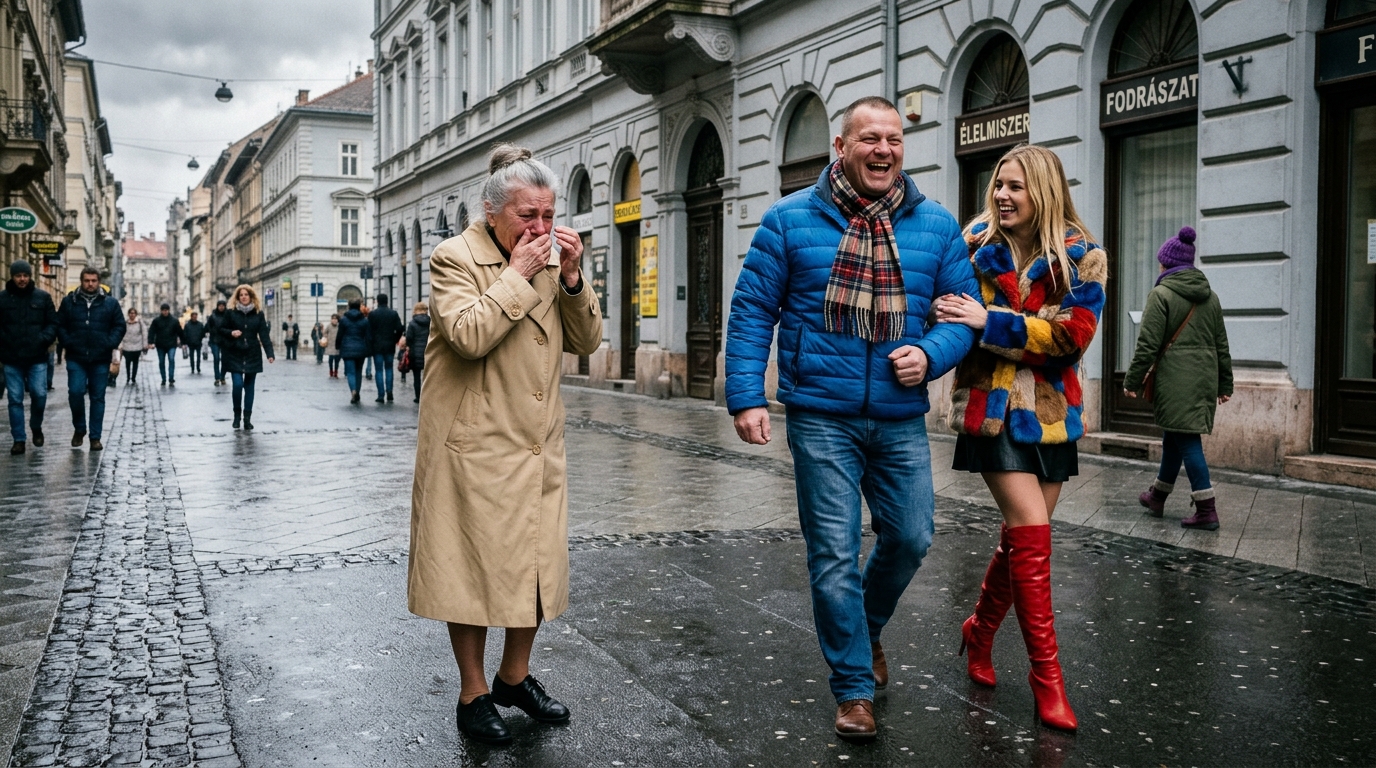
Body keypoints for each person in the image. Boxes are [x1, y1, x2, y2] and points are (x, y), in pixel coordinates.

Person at [724, 97, 979, 742]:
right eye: (870, 138)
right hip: (821, 415)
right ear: (842, 147)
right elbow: (753, 309)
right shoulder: (789, 221)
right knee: (834, 554)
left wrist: (930, 352)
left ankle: (863, 634)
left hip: (898, 415)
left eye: (894, 139)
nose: (884, 150)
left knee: (913, 536)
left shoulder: (937, 226)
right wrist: (747, 396)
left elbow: (963, 316)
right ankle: (853, 689)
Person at [409, 144, 602, 747]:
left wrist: (571, 278)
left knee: (536, 567)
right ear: (492, 211)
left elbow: (587, 342)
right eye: (528, 216)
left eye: (548, 215)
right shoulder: (453, 258)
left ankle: (514, 677)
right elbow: (468, 336)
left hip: (537, 443)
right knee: (466, 570)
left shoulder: (550, 261)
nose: (541, 229)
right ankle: (473, 694)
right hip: (474, 444)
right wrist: (518, 276)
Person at [935, 144, 1107, 734]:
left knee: (1020, 541)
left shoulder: (1084, 258)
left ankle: (977, 633)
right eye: (999, 184)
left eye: (1016, 187)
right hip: (991, 408)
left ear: (1044, 192)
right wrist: (980, 324)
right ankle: (1048, 684)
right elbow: (950, 312)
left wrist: (992, 322)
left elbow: (1072, 339)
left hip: (1053, 416)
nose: (1002, 195)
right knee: (1032, 537)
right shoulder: (974, 244)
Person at [1124, 226, 1232, 531]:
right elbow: (1221, 344)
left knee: (1187, 440)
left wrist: (1132, 381)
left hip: (1175, 380)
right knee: (1174, 435)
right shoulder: (1210, 298)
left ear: (1166, 264)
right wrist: (1225, 385)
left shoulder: (1161, 294)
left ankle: (1206, 508)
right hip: (1203, 379)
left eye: (1160, 262)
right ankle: (1157, 496)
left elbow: (1148, 344)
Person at [56, 267, 125, 451]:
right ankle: (80, 428)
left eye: (94, 280)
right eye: (87, 280)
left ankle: (95, 437)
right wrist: (68, 342)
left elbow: (119, 325)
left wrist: (109, 343)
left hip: (100, 357)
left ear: (99, 281)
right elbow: (60, 325)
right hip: (76, 356)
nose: (90, 284)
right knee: (76, 392)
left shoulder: (110, 303)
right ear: (81, 281)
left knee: (98, 397)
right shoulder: (70, 301)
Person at [0, 260, 58, 454]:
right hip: (11, 357)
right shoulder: (3, 299)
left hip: (37, 357)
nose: (22, 279)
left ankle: (35, 425)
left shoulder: (43, 297)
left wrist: (42, 339)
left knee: (39, 394)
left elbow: (52, 324)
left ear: (30, 276)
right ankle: (19, 439)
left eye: (25, 275)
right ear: (12, 276)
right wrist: (5, 342)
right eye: (18, 275)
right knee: (15, 399)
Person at [217, 285, 275, 430]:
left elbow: (264, 335)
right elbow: (221, 330)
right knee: (237, 385)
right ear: (237, 297)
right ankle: (237, 416)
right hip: (235, 352)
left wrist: (270, 353)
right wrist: (231, 333)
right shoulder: (231, 313)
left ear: (251, 297)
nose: (243, 297)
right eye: (241, 295)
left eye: (246, 294)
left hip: (252, 353)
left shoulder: (258, 314)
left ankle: (247, 419)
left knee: (249, 387)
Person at [367, 293, 404, 403]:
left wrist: (371, 343)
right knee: (389, 368)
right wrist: (395, 339)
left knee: (378, 370)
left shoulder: (373, 314)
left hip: (377, 346)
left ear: (377, 301)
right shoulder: (393, 313)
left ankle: (380, 394)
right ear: (387, 301)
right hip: (389, 345)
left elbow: (369, 331)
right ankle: (389, 391)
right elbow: (400, 328)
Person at [335, 299, 372, 403]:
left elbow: (340, 335)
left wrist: (338, 346)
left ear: (349, 306)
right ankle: (358, 393)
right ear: (359, 306)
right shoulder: (364, 320)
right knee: (358, 371)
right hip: (361, 349)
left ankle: (353, 391)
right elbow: (368, 337)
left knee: (350, 372)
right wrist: (369, 349)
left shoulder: (344, 320)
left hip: (347, 349)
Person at [148, 303, 184, 386]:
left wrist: (183, 342)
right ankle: (163, 378)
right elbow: (152, 331)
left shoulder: (174, 320)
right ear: (161, 311)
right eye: (163, 310)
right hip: (160, 344)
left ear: (168, 310)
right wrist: (151, 342)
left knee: (171, 359)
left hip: (171, 344)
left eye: (166, 310)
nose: (165, 312)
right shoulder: (156, 321)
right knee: (161, 362)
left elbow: (179, 332)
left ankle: (171, 378)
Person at [402, 302, 429, 403]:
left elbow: (409, 338)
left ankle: (418, 397)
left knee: (416, 376)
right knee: (428, 376)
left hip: (415, 352)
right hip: (428, 352)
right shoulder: (430, 322)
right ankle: (427, 396)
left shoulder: (413, 323)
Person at [119, 308, 149, 385]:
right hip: (127, 346)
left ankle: (133, 378)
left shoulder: (139, 322)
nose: (132, 315)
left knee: (135, 362)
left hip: (137, 346)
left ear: (136, 314)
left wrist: (144, 344)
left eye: (133, 313)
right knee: (127, 362)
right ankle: (128, 377)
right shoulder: (125, 323)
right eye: (130, 313)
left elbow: (144, 333)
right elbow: (121, 334)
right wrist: (121, 345)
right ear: (128, 314)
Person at [206, 299, 229, 386]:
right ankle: (217, 377)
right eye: (220, 305)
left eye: (223, 305)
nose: (221, 307)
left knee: (224, 359)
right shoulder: (213, 316)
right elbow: (208, 326)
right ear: (217, 306)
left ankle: (222, 376)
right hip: (215, 340)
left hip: (225, 340)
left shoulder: (228, 315)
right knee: (216, 358)